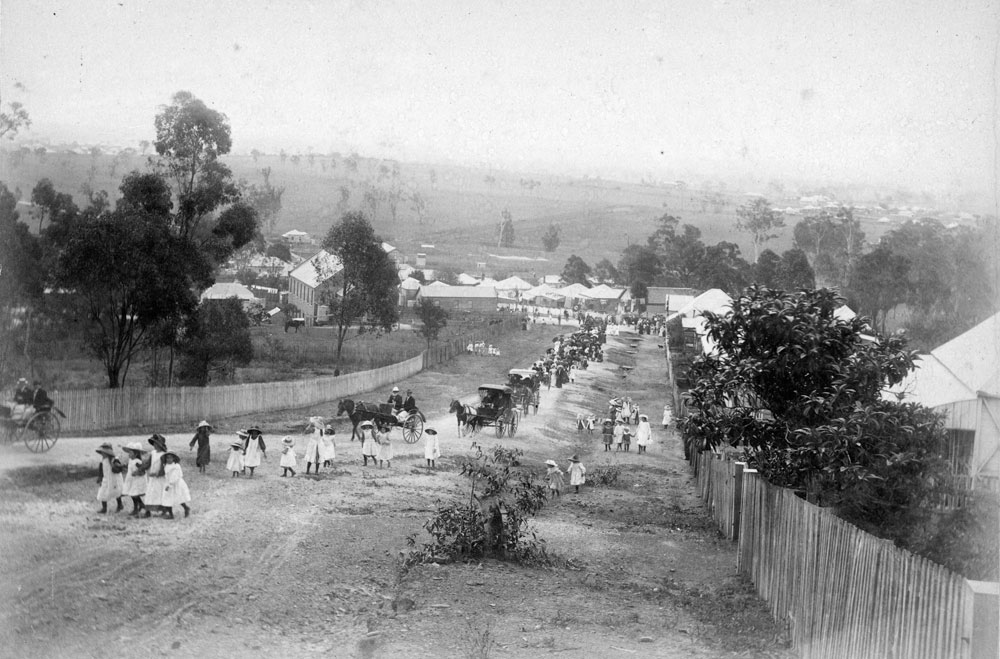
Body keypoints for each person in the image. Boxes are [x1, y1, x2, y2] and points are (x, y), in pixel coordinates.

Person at [142, 434, 168, 518]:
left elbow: (164, 467)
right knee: (150, 494)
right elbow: (148, 463)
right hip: (152, 478)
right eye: (154, 444)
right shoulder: (152, 453)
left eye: (157, 444)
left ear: (161, 444)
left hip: (160, 479)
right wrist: (141, 467)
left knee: (159, 494)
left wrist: (157, 473)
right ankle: (147, 511)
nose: (155, 446)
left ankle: (163, 510)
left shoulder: (163, 454)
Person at [95, 442, 124, 514]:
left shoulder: (113, 460)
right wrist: (100, 477)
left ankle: (120, 505)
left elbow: (119, 468)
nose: (103, 454)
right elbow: (101, 470)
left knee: (116, 492)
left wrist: (118, 466)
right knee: (103, 492)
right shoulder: (102, 460)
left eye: (104, 452)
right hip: (106, 479)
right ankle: (104, 508)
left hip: (114, 479)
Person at [161, 451, 191, 519]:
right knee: (167, 499)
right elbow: (167, 475)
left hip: (176, 484)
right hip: (168, 483)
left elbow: (175, 477)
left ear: (174, 458)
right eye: (167, 458)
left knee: (179, 498)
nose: (168, 459)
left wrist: (170, 484)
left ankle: (186, 508)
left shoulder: (176, 466)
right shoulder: (166, 465)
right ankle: (171, 514)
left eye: (170, 458)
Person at [121, 442, 147, 516]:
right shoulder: (131, 461)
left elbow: (143, 472)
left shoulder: (138, 462)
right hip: (131, 480)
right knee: (133, 494)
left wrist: (137, 473)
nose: (129, 454)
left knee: (134, 494)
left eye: (131, 453)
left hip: (137, 480)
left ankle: (137, 507)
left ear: (136, 454)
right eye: (129, 453)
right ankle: (140, 505)